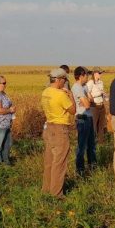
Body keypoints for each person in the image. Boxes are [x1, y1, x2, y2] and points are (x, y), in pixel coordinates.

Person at [41, 68, 75, 197]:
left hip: (49, 126)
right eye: (65, 79)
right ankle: (56, 194)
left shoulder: (45, 92)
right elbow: (72, 110)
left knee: (49, 161)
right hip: (60, 129)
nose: (65, 82)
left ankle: (46, 189)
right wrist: (70, 95)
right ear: (59, 80)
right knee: (59, 162)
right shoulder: (61, 95)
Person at [72, 66, 97, 174]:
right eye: (87, 75)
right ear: (81, 75)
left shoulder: (85, 87)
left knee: (92, 145)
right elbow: (87, 104)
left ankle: (92, 168)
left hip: (89, 118)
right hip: (82, 118)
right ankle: (80, 170)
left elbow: (92, 101)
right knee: (82, 146)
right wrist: (87, 100)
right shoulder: (77, 87)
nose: (88, 77)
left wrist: (87, 100)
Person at [86, 67, 108, 142]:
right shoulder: (90, 83)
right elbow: (87, 94)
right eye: (100, 73)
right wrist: (99, 93)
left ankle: (101, 142)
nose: (101, 74)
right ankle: (91, 142)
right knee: (93, 125)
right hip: (94, 106)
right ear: (95, 73)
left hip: (101, 105)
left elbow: (101, 93)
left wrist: (105, 96)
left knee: (101, 125)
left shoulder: (101, 82)